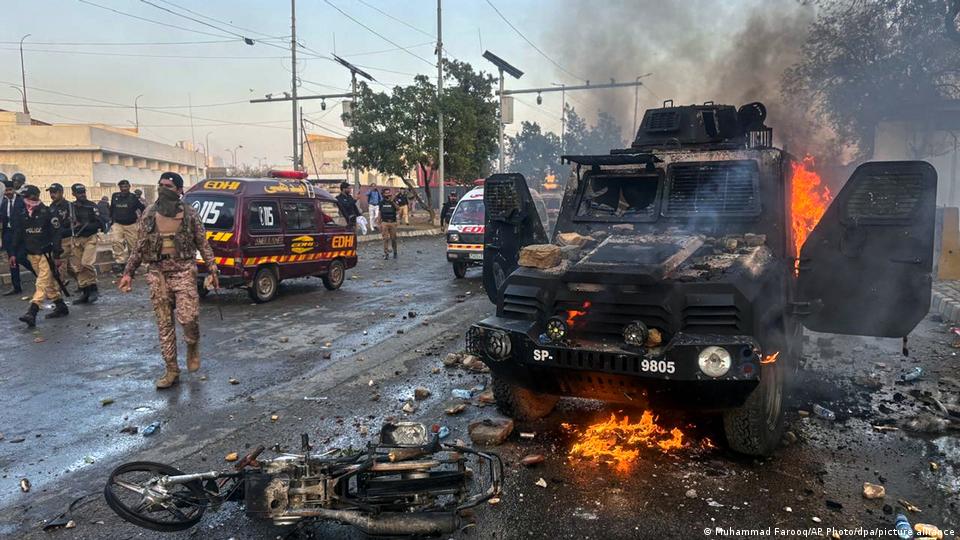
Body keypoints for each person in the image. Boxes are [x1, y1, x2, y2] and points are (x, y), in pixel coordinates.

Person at [118, 172, 219, 390]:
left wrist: (213, 269)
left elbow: (203, 243)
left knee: (188, 318)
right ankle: (171, 369)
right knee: (164, 326)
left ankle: (192, 345)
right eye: (161, 185)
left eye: (169, 186)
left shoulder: (190, 214)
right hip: (158, 274)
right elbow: (139, 246)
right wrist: (128, 273)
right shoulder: (149, 213)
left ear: (180, 190)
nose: (163, 189)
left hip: (183, 271)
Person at [13, 185, 68, 327]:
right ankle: (61, 306)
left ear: (36, 195)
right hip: (32, 254)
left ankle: (32, 312)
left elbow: (56, 235)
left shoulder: (48, 212)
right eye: (24, 197)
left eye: (29, 196)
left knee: (41, 283)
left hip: (46, 254)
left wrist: (57, 255)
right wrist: (12, 253)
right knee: (47, 284)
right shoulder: (22, 213)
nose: (26, 200)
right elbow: (18, 234)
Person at [64, 183, 103, 304]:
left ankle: (93, 288)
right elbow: (65, 223)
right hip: (76, 239)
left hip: (90, 237)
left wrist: (83, 226)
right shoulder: (71, 207)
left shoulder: (91, 206)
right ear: (73, 194)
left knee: (86, 263)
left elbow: (99, 224)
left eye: (83, 192)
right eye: (79, 193)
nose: (82, 195)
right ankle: (85, 292)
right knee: (78, 267)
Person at [0, 178, 33, 295]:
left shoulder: (21, 201)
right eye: (6, 190)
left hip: (21, 234)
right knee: (12, 261)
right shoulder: (3, 203)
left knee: (20, 257)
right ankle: (16, 287)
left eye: (10, 190)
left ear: (14, 190)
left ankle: (39, 275)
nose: (8, 192)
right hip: (8, 234)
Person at [110, 179, 146, 273]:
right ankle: (120, 263)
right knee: (116, 241)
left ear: (129, 187)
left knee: (133, 246)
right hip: (118, 224)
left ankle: (133, 264)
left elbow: (142, 208)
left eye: (126, 187)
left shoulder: (133, 197)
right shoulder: (115, 196)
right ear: (120, 188)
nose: (124, 189)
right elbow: (111, 208)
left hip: (131, 224)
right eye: (122, 187)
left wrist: (142, 219)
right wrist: (110, 220)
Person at [46, 184, 71, 287]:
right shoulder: (51, 207)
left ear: (61, 192)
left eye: (54, 192)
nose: (52, 195)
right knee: (70, 266)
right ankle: (82, 283)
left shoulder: (69, 206)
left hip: (67, 238)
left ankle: (58, 287)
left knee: (60, 261)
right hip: (56, 239)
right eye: (51, 192)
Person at [376, 187, 399, 259]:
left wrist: (392, 201)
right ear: (383, 194)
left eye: (389, 193)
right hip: (384, 222)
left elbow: (398, 208)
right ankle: (386, 254)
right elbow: (380, 212)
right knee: (385, 239)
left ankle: (395, 252)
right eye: (386, 193)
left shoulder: (393, 201)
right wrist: (379, 223)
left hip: (392, 222)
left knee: (393, 239)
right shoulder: (381, 202)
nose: (388, 194)